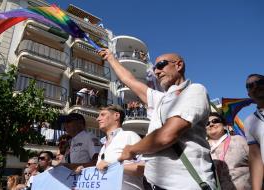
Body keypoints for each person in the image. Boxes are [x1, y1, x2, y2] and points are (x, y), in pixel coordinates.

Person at [98, 49, 216, 189]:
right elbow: (129, 80)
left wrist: (132, 149)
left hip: (186, 184)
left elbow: (167, 135)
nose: (157, 72)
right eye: (154, 68)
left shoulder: (195, 90)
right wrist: (111, 58)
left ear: (178, 65)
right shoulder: (161, 99)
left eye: (161, 65)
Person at [96, 104, 145, 190]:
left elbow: (145, 167)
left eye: (103, 115)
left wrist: (111, 166)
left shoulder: (130, 136)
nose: (98, 119)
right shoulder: (103, 146)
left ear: (116, 116)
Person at [207, 112, 250, 189]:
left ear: (224, 126)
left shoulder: (238, 140)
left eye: (215, 121)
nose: (211, 124)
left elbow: (257, 163)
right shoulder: (204, 150)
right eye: (207, 123)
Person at [244, 74, 264, 189]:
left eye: (260, 82)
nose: (255, 86)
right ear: (249, 94)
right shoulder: (250, 121)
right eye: (250, 85)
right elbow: (256, 158)